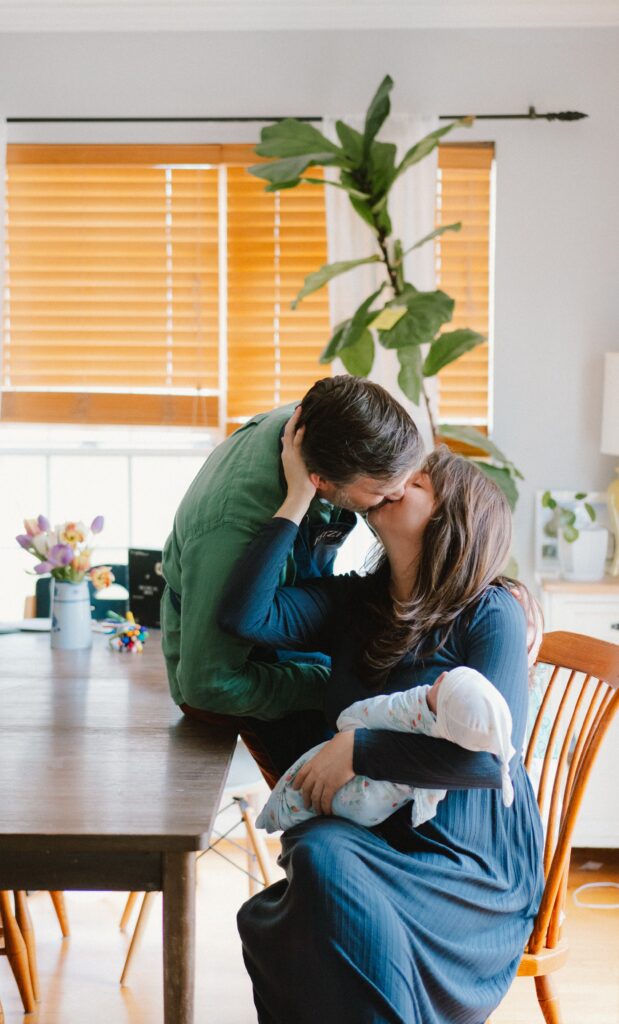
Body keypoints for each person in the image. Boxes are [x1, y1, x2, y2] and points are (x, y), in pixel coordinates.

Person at [218, 419, 545, 1024]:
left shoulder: (489, 611)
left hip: (467, 863)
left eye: (418, 481)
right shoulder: (355, 604)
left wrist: (358, 750)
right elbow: (244, 614)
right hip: (375, 841)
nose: (397, 484)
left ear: (453, 519)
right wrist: (299, 496)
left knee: (316, 884)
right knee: (315, 854)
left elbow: (488, 761)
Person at [161, 375, 423, 786]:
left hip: (290, 622)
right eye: (381, 493)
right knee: (340, 791)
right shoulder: (233, 530)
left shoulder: (316, 427)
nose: (397, 497)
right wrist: (327, 684)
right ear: (321, 479)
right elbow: (206, 684)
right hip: (234, 673)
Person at [255, 665, 516, 833]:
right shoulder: (446, 748)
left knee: (305, 796)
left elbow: (355, 716)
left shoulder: (409, 707)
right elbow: (430, 795)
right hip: (372, 815)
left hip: (359, 802)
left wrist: (357, 743)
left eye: (443, 686)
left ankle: (279, 815)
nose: (442, 676)